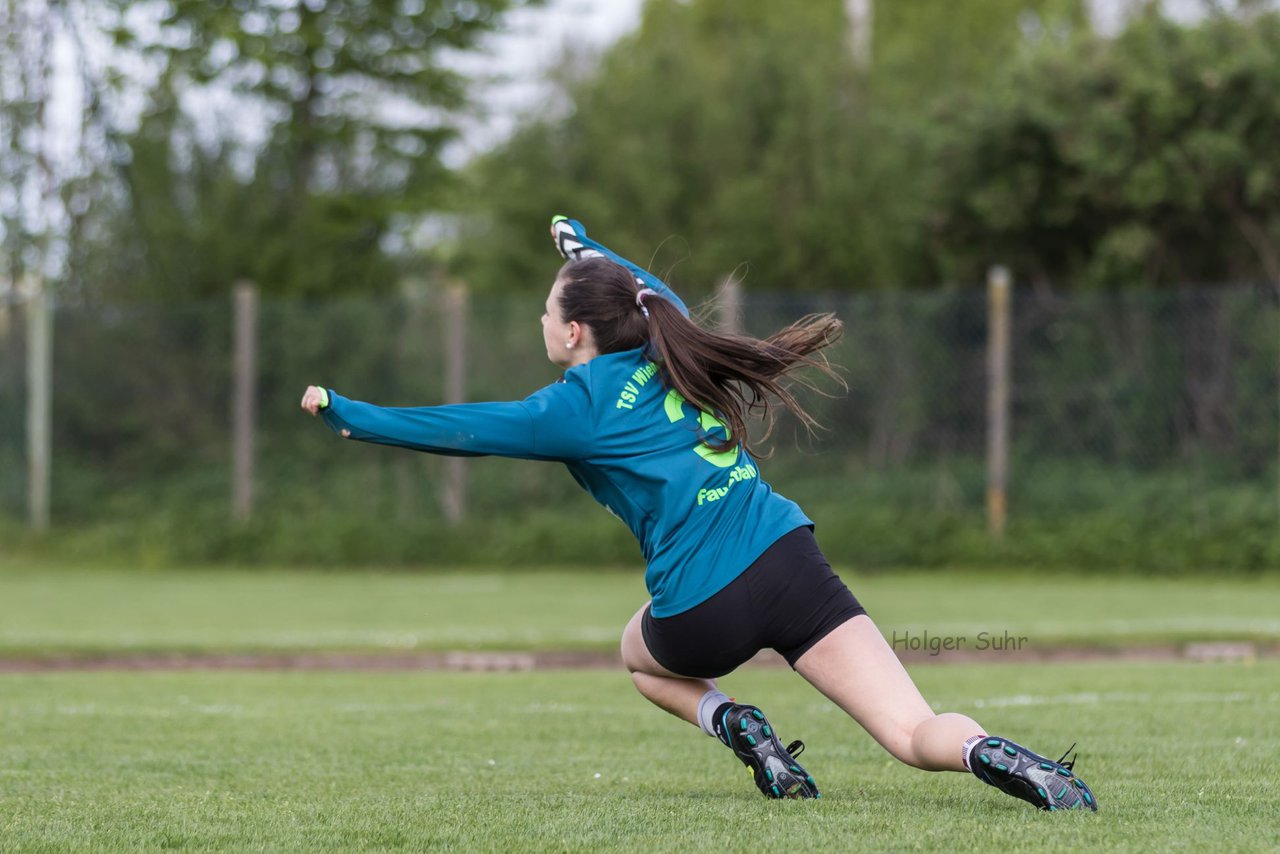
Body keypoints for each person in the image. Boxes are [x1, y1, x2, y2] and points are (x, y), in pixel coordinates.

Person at [300, 216, 1097, 811]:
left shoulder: (575, 405)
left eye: (549, 310)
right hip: (791, 559)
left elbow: (457, 430)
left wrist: (347, 411)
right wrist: (585, 247)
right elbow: (650, 293)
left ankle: (736, 724)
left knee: (636, 654)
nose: (542, 320)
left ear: (575, 332)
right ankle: (1004, 757)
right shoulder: (669, 343)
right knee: (912, 733)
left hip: (702, 609)